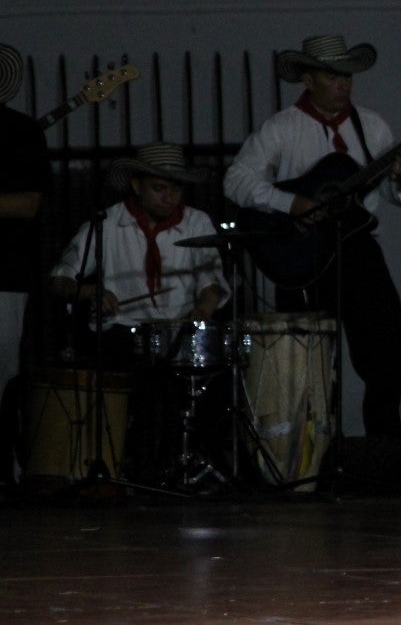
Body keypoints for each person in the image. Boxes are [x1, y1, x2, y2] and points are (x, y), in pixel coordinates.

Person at [223, 34, 401, 475]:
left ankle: (383, 458)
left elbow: (399, 195)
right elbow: (235, 181)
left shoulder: (372, 127)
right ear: (308, 79)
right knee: (308, 363)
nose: (343, 84)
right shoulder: (281, 128)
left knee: (388, 352)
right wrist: (291, 204)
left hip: (358, 251)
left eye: (347, 75)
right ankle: (309, 464)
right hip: (302, 255)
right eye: (333, 75)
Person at [49, 143, 230, 365]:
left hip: (180, 333)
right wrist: (91, 292)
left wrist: (203, 310)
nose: (169, 198)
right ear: (136, 185)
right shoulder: (106, 223)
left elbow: (211, 283)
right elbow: (59, 281)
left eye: (176, 189)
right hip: (120, 336)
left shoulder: (197, 222)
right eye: (159, 188)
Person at [0, 44, 53, 491]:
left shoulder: (18, 132)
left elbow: (29, 203)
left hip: (4, 276)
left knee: (3, 375)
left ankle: (5, 467)